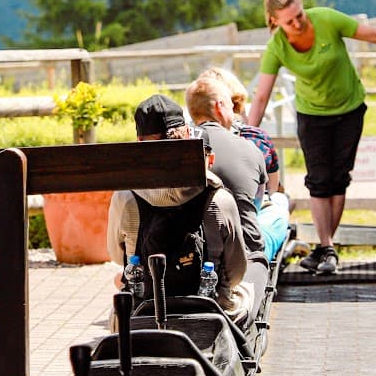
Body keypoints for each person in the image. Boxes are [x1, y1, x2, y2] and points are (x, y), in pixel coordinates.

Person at [245, 0, 376, 275]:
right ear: (275, 22)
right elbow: (261, 97)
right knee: (319, 179)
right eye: (289, 21)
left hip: (349, 108)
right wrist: (246, 136)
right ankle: (327, 245)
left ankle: (324, 249)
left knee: (339, 177)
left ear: (302, 6)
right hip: (313, 115)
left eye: (298, 15)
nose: (297, 23)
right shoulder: (277, 47)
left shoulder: (327, 20)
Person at [106, 94, 251, 319]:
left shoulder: (125, 197)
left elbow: (117, 256)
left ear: (140, 145)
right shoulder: (218, 199)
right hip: (210, 311)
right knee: (247, 291)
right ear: (186, 142)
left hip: (143, 311)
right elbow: (236, 272)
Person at [183, 74, 267, 260]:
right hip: (245, 252)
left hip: (189, 252)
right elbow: (256, 204)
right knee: (277, 211)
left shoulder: (179, 150)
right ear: (219, 106)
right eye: (231, 104)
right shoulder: (250, 149)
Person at [197, 65, 281, 191]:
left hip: (202, 208)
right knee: (282, 199)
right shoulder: (256, 138)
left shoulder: (192, 137)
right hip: (252, 207)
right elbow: (272, 187)